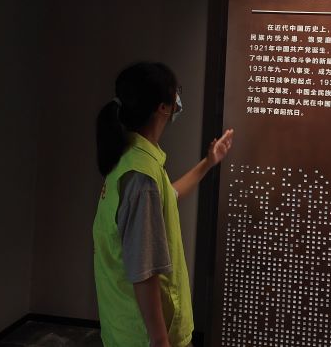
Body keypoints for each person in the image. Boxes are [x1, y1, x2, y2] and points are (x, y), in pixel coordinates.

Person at [93, 62, 234, 347]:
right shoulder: (141, 175)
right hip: (144, 336)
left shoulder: (131, 158)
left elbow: (169, 196)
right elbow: (143, 271)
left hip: (125, 329)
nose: (179, 99)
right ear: (163, 107)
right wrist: (160, 340)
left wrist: (209, 162)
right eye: (176, 91)